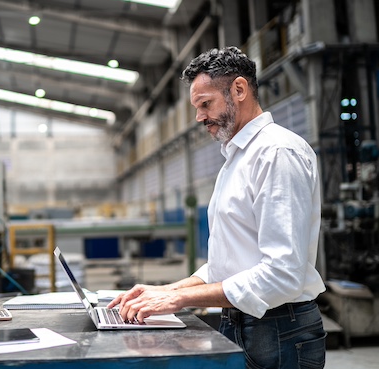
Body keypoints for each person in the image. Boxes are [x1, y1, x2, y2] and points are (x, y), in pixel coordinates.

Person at [107, 46, 327, 368]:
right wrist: (166, 290)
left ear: (239, 89)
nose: (199, 117)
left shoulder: (277, 153)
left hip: (278, 330)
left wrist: (179, 299)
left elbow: (282, 273)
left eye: (205, 104)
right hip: (243, 323)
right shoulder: (236, 158)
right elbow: (227, 263)